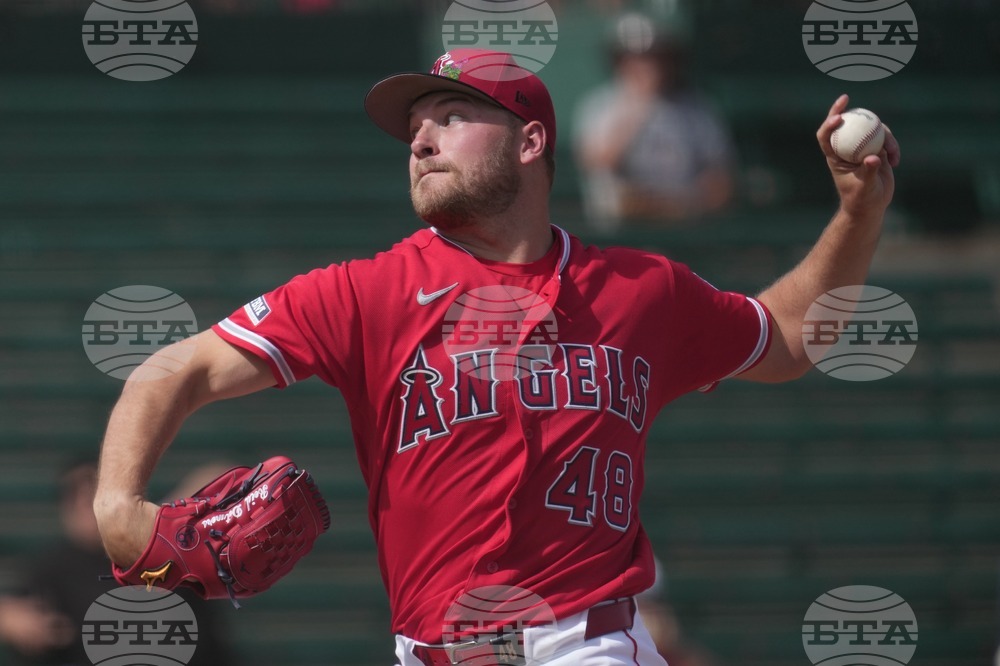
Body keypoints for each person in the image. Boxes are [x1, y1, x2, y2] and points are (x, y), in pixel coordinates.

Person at [92, 47, 899, 666]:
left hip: (581, 642)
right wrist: (116, 505)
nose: (420, 140)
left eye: (448, 117)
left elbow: (789, 338)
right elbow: (177, 369)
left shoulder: (643, 290)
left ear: (531, 140)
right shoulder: (366, 291)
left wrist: (860, 214)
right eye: (414, 129)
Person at [0, 460, 236, 666]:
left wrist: (163, 520)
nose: (85, 502)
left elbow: (226, 474)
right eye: (75, 494)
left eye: (94, 491)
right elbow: (13, 614)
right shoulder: (54, 566)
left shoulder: (159, 540)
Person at [574, 13, 737, 230]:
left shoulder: (695, 107)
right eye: (635, 57)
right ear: (619, 61)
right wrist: (640, 105)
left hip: (686, 225)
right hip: (621, 229)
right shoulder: (601, 104)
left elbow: (722, 180)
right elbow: (598, 162)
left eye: (655, 56)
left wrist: (684, 204)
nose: (647, 65)